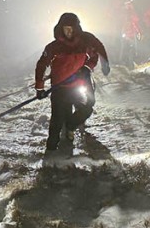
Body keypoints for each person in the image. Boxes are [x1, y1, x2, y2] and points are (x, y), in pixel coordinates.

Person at [34, 12, 110, 152]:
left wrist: (91, 66)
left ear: (76, 28)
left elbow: (98, 48)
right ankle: (51, 149)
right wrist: (39, 87)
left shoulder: (86, 40)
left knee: (88, 106)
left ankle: (70, 126)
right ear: (60, 28)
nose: (68, 31)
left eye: (71, 28)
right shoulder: (54, 46)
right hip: (60, 87)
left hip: (79, 83)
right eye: (65, 28)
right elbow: (41, 64)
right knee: (57, 118)